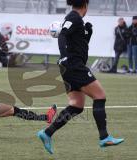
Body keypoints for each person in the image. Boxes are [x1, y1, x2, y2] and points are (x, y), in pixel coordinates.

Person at [37, 0, 124, 154]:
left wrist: (87, 34)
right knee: (100, 96)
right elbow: (62, 35)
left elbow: (77, 45)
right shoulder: (74, 18)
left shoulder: (76, 20)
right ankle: (104, 137)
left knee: (76, 105)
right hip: (73, 65)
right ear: (85, 4)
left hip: (69, 66)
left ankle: (47, 133)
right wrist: (65, 56)